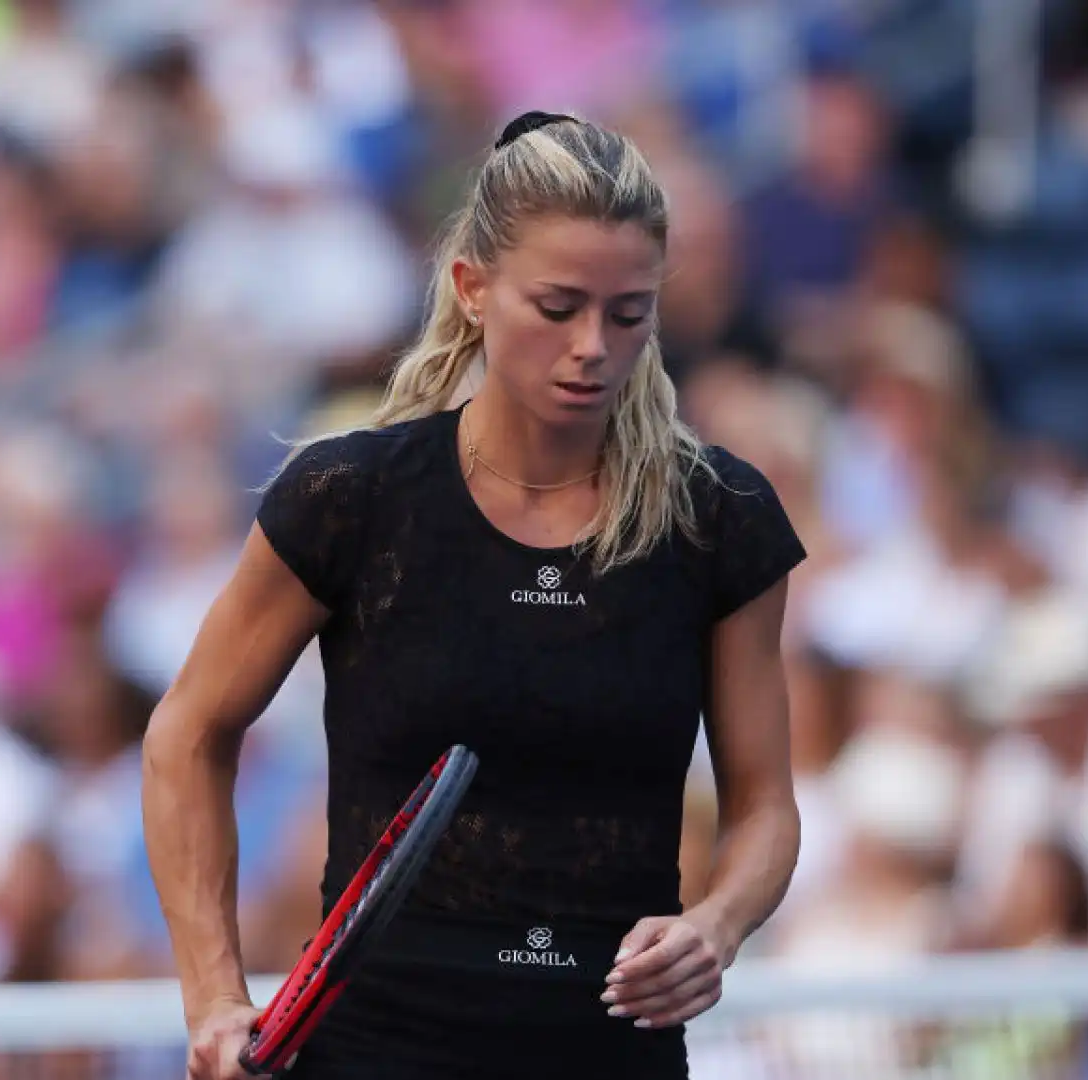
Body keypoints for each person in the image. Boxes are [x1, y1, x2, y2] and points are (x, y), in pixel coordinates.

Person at [142, 111, 805, 1079]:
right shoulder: (354, 499)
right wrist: (212, 996)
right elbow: (187, 736)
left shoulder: (720, 518)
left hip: (607, 1049)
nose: (594, 347)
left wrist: (718, 923)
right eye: (558, 306)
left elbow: (765, 806)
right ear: (473, 288)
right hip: (376, 1049)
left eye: (629, 314)